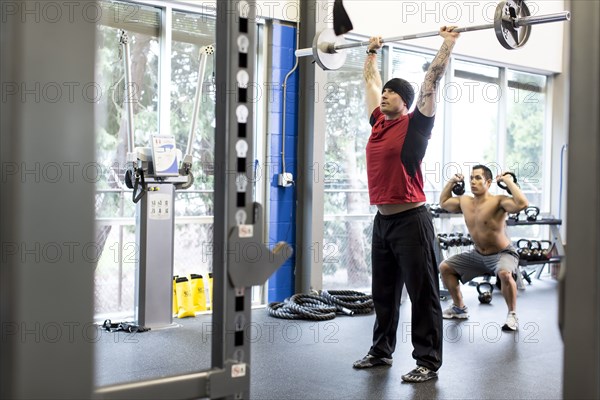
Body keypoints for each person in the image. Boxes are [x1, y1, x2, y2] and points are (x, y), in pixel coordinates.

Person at [352, 27, 460, 383]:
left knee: (422, 293)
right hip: (382, 222)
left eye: (392, 92)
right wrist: (370, 51)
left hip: (412, 220)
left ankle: (427, 361)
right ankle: (381, 352)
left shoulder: (417, 125)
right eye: (385, 91)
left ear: (406, 99)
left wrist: (447, 44)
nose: (384, 95)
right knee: (383, 293)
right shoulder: (378, 123)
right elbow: (369, 82)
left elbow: (431, 79)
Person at [438, 165, 529, 331]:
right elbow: (443, 202)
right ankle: (459, 308)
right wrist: (452, 182)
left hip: (503, 254)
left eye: (478, 178)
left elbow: (522, 203)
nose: (473, 181)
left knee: (504, 274)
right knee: (445, 267)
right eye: (471, 177)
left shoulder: (499, 201)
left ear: (488, 182)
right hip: (478, 254)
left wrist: (508, 181)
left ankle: (512, 315)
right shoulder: (464, 201)